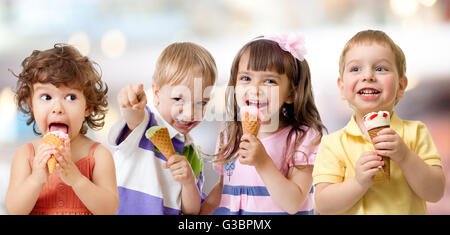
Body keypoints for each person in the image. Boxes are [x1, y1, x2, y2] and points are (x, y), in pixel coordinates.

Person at [312, 29, 445, 214]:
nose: (368, 76)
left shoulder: (416, 132)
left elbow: (435, 192)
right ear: (342, 88)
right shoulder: (332, 144)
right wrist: (358, 182)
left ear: (401, 86)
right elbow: (323, 206)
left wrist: (405, 157)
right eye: (355, 69)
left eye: (380, 68)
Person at [201, 34, 326, 215]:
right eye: (245, 78)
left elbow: (293, 203)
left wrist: (263, 162)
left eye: (269, 81)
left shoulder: (303, 138)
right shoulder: (229, 136)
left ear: (292, 93)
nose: (254, 89)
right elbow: (222, 189)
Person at [5, 44, 118, 215]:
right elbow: (14, 209)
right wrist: (36, 179)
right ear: (32, 105)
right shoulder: (26, 155)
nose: (57, 107)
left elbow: (109, 209)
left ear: (87, 107)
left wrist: (77, 179)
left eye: (70, 97)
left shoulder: (99, 155)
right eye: (46, 97)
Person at [108, 42, 217, 214]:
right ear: (157, 95)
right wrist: (130, 102)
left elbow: (191, 211)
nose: (190, 113)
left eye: (200, 103)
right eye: (179, 99)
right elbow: (132, 116)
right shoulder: (144, 124)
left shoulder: (193, 154)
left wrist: (188, 182)